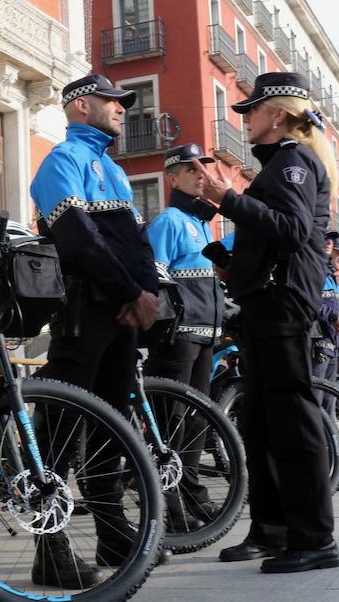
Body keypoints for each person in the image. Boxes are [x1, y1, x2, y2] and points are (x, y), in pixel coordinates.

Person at [197, 72, 339, 573]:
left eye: (251, 110)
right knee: (260, 422)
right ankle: (273, 531)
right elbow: (276, 236)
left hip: (282, 304)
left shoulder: (294, 162)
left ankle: (315, 539)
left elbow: (293, 231)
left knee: (291, 420)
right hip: (266, 301)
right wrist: (237, 266)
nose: (245, 119)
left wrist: (228, 198)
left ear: (277, 115)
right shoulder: (280, 164)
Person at [30, 73, 166, 587]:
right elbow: (78, 240)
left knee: (114, 422)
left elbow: (138, 240)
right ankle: (49, 545)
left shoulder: (114, 169)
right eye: (112, 100)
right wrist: (131, 292)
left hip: (122, 312)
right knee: (62, 425)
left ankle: (111, 530)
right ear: (82, 105)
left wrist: (146, 292)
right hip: (85, 309)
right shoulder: (61, 161)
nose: (122, 108)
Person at [144, 143, 225, 532]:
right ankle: (170, 504)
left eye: (203, 168)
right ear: (172, 179)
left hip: (206, 335)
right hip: (177, 336)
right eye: (191, 169)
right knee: (171, 421)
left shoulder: (203, 223)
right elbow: (154, 277)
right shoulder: (169, 221)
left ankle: (192, 493)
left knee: (198, 419)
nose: (200, 175)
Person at [311, 232, 339, 389]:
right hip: (319, 340)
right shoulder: (314, 270)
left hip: (332, 342)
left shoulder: (331, 276)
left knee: (329, 398)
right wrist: (333, 316)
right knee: (317, 394)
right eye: (338, 254)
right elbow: (310, 302)